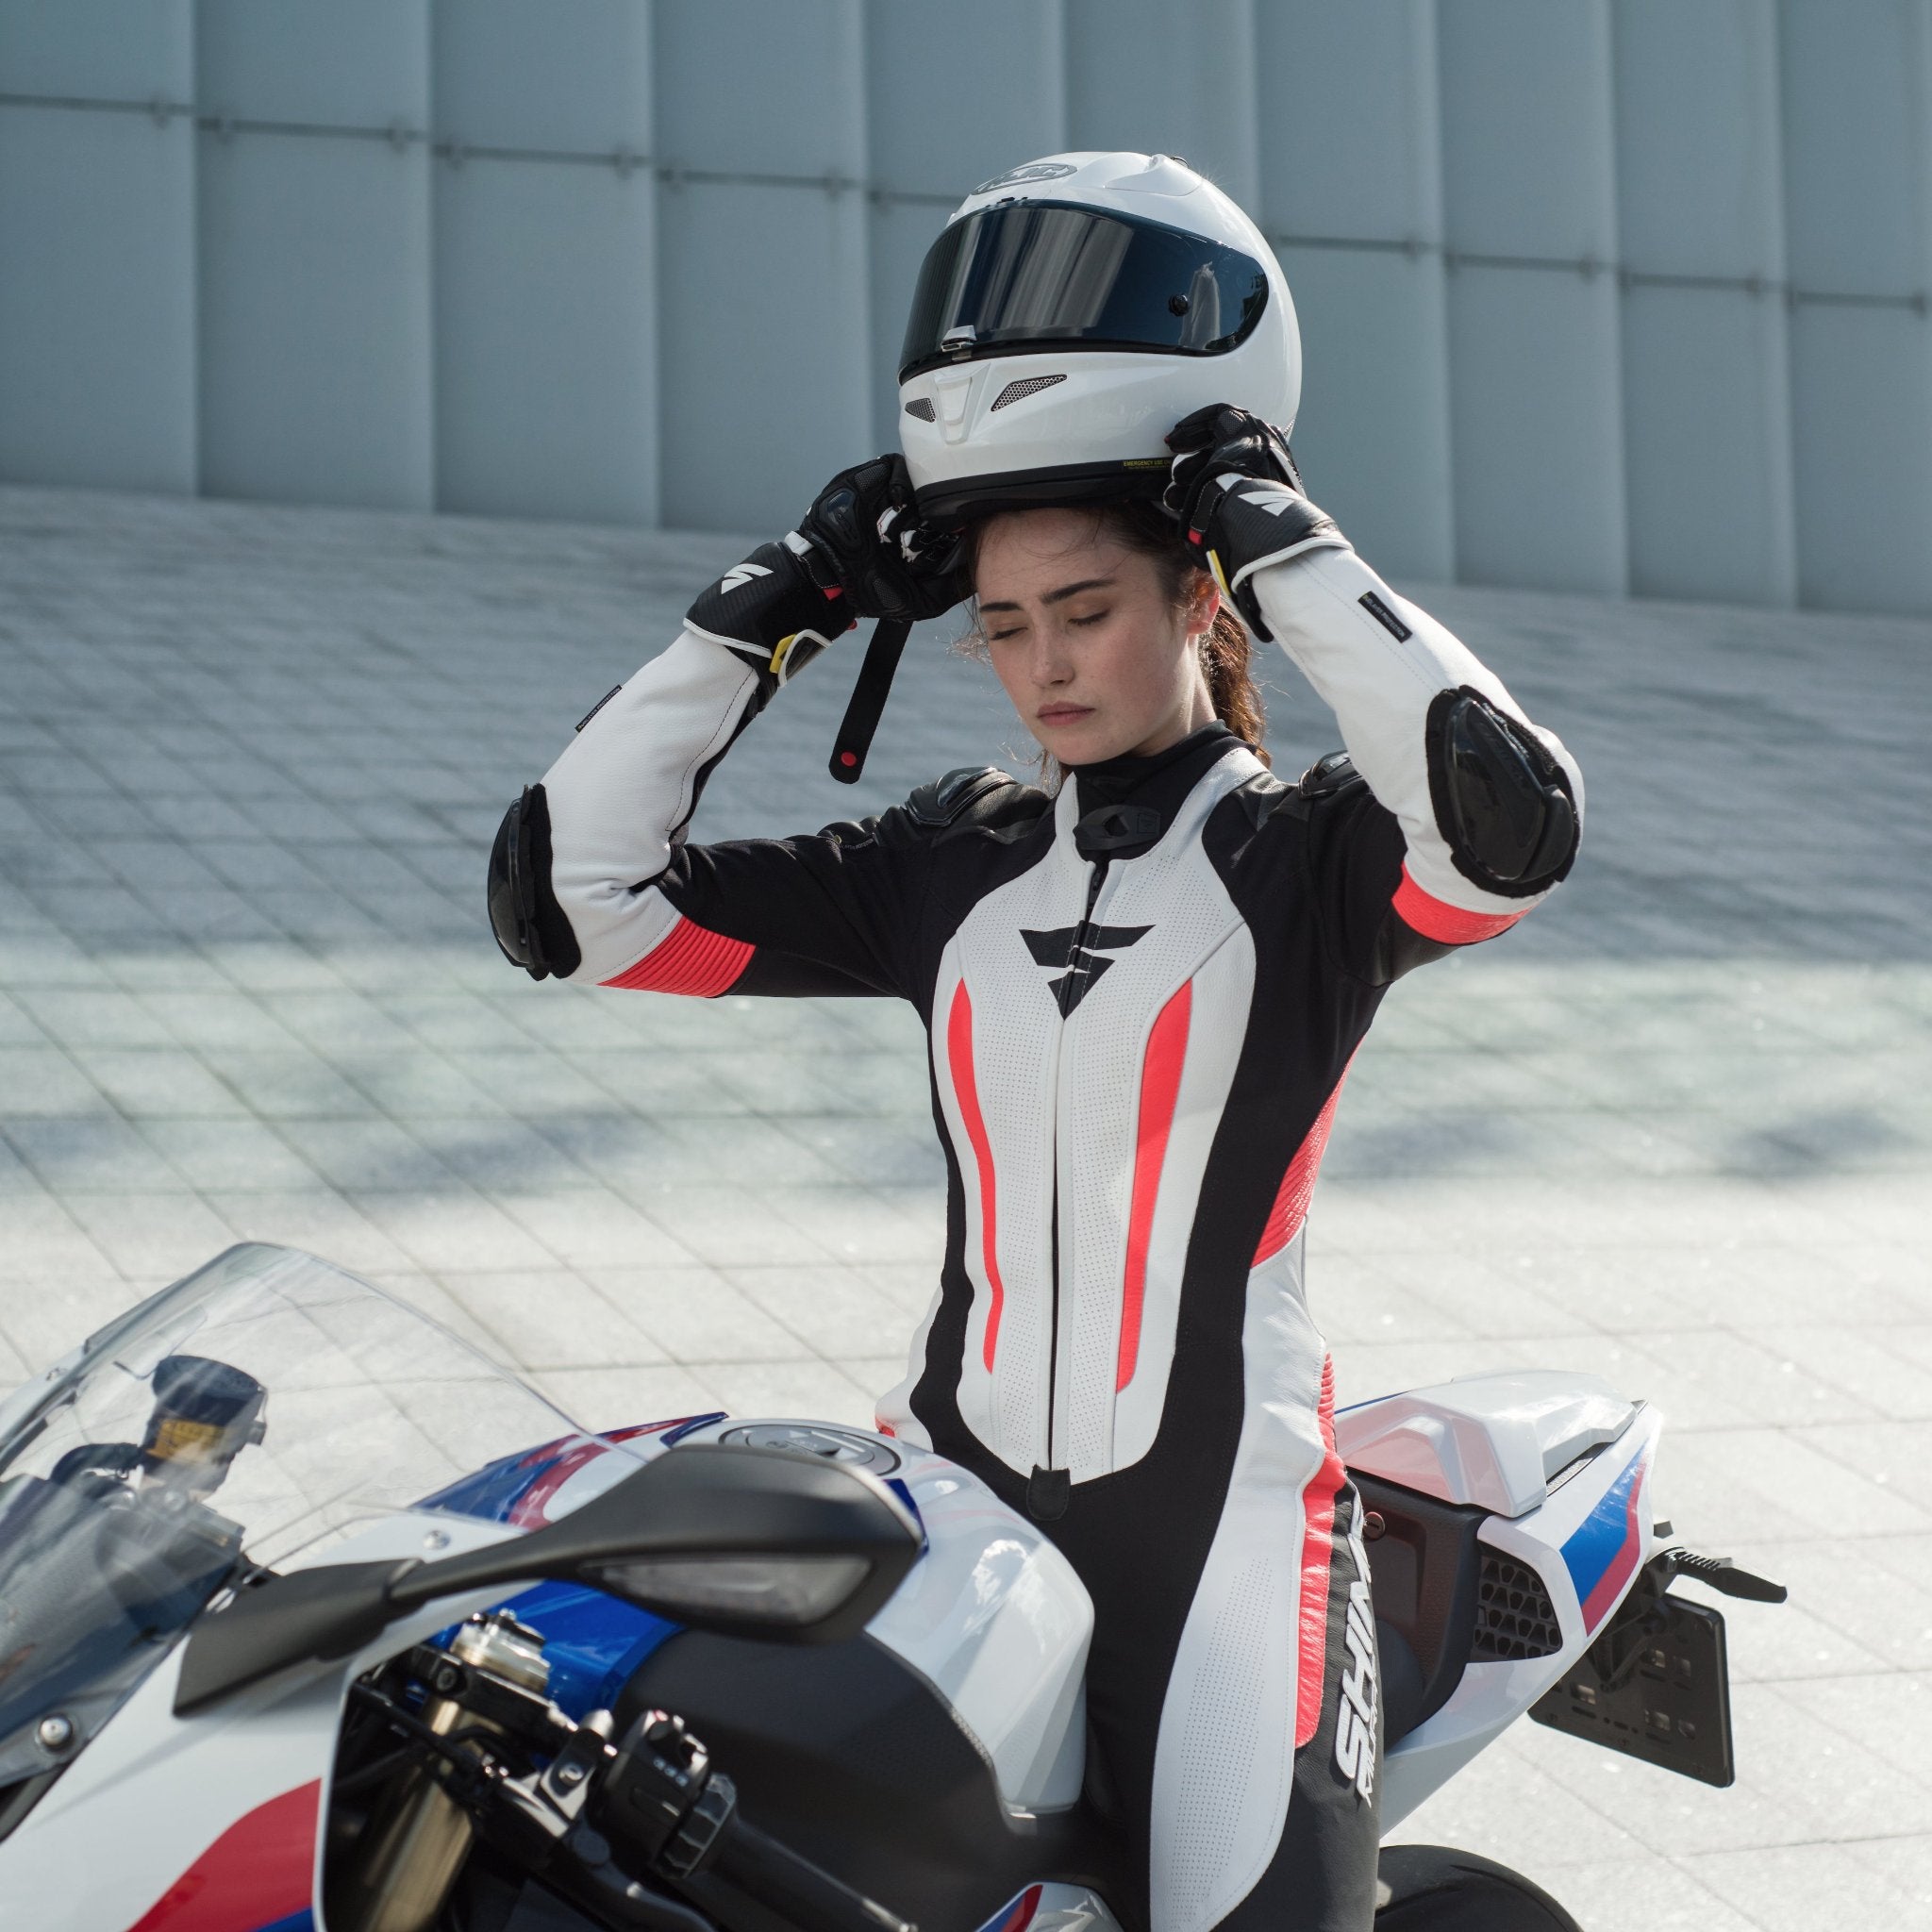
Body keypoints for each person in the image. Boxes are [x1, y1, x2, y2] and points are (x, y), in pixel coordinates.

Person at [489, 155, 1583, 1932]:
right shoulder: (949, 860)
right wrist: (788, 597)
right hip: (944, 1510)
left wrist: (1282, 535)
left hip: (1229, 1550)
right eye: (1004, 624)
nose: (1045, 664)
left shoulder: (1308, 863)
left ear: (1195, 606)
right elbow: (574, 898)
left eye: (1088, 610)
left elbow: (1511, 824)